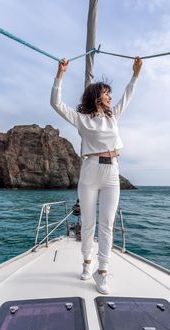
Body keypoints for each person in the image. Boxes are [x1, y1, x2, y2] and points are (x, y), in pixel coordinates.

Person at [51, 56, 142, 294]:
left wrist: (135, 74)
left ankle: (102, 272)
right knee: (88, 223)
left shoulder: (113, 116)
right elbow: (56, 103)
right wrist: (60, 74)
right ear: (96, 96)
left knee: (108, 224)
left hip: (112, 171)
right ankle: (87, 262)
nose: (110, 97)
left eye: (110, 93)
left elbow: (127, 96)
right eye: (106, 93)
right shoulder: (81, 119)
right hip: (90, 170)